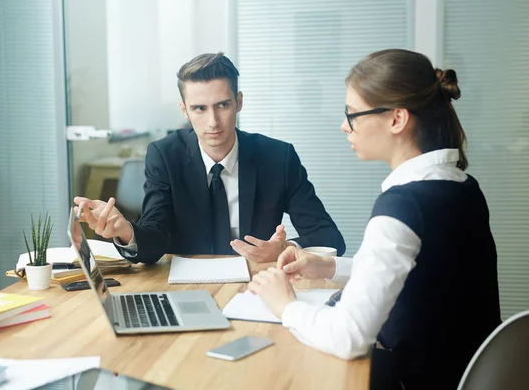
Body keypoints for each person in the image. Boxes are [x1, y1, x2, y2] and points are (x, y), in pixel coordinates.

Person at [248, 49, 501, 389]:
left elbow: (349, 337)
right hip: (460, 372)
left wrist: (285, 305)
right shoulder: (460, 186)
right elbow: (416, 268)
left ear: (397, 119)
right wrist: (329, 267)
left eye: (352, 114)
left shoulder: (402, 205)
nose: (344, 126)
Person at [74, 52, 345, 264]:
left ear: (238, 102)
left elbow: (330, 237)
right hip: (187, 288)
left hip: (257, 284)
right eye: (199, 108)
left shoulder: (278, 157)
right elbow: (155, 236)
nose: (213, 121)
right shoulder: (165, 155)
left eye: (222, 105)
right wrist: (125, 231)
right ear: (184, 110)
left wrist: (286, 248)